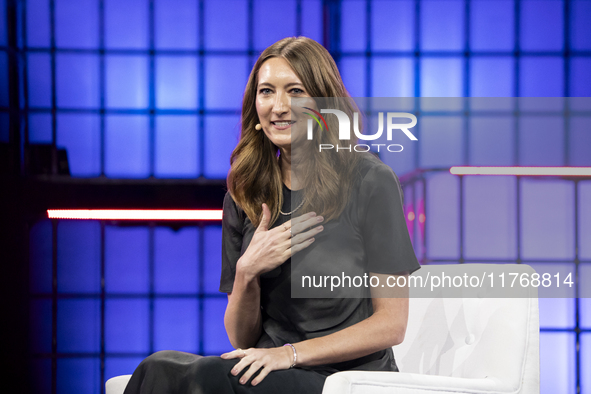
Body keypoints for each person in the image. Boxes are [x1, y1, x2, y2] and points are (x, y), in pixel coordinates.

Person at [123, 36, 420, 394]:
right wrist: (247, 272)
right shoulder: (245, 194)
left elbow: (391, 324)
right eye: (267, 92)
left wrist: (290, 354)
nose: (279, 106)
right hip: (270, 366)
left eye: (295, 91)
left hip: (345, 377)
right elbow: (241, 335)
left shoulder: (369, 180)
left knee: (205, 379)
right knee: (157, 368)